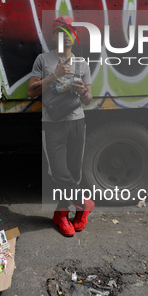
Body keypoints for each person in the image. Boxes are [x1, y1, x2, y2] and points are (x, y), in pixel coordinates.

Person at [28, 15, 94, 237]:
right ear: (53, 36)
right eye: (60, 32)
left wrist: (82, 91)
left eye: (68, 33)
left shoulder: (82, 63)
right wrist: (53, 76)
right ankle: (84, 204)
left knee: (73, 174)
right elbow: (31, 91)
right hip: (52, 124)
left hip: (77, 121)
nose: (64, 37)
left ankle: (62, 215)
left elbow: (89, 99)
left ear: (73, 38)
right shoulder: (43, 60)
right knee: (58, 173)